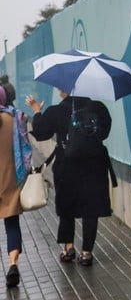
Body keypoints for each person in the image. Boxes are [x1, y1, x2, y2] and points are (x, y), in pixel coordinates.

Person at [26, 89, 114, 266]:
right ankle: (87, 252)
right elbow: (104, 133)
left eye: (61, 88)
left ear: (66, 90)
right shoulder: (98, 108)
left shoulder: (55, 111)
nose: (59, 92)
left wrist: (36, 111)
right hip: (94, 164)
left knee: (67, 206)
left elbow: (42, 133)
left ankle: (68, 248)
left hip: (67, 165)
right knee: (91, 208)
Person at [0, 78, 31, 288]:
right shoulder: (14, 118)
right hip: (10, 178)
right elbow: (25, 145)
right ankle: (13, 264)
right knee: (12, 225)